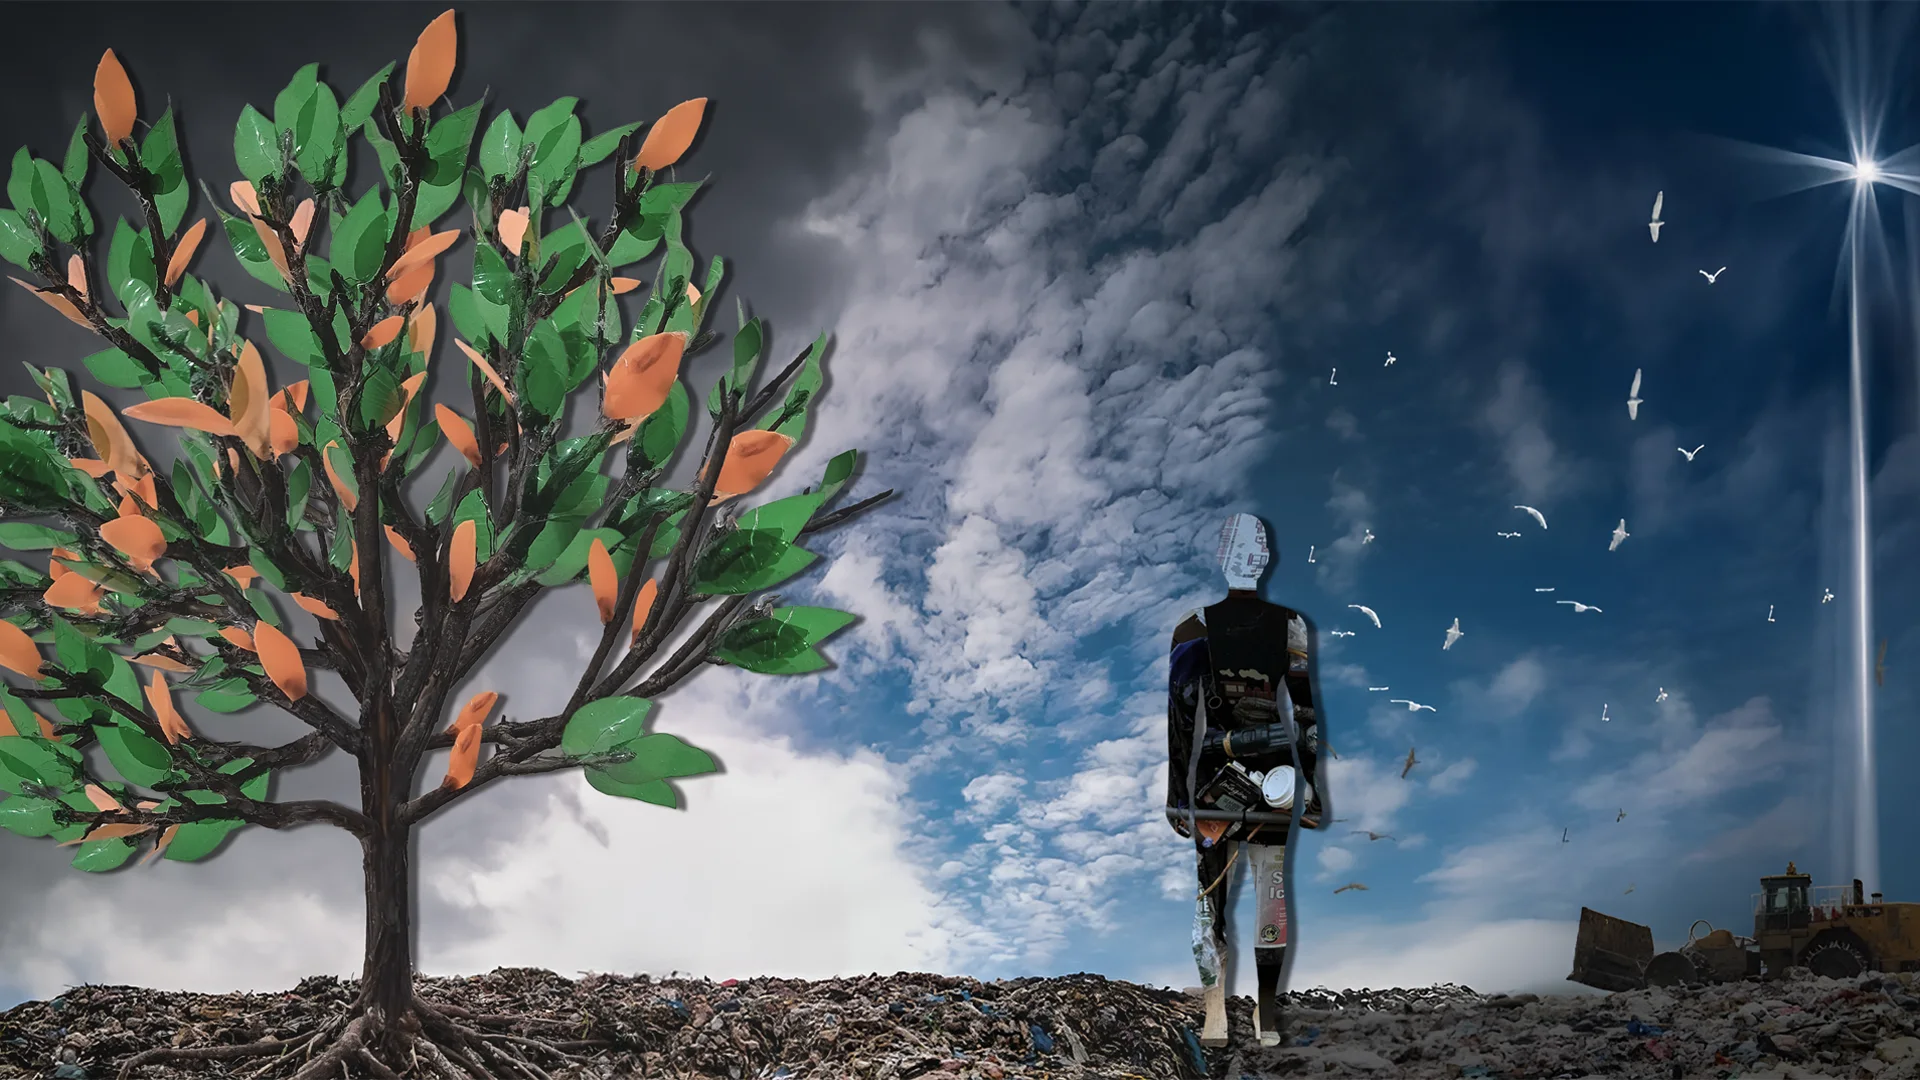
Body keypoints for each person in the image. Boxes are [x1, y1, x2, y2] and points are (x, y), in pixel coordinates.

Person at [1166, 513, 1328, 1048]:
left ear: (1226, 556)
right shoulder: (1291, 627)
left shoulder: (1193, 625)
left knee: (1223, 900)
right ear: (1262, 559)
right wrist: (1311, 786)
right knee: (1260, 897)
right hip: (1272, 775)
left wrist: (1177, 792)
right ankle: (1252, 1015)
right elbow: (1303, 716)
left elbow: (1182, 717)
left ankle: (1235, 1014)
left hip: (1225, 773)